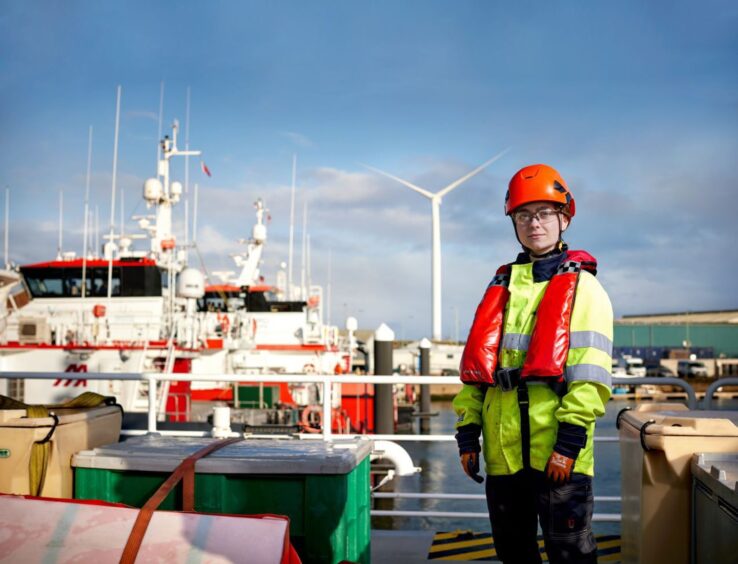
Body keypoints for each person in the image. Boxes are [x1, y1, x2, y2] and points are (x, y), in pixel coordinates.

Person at [453, 164, 613, 564]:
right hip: (504, 458)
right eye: (523, 215)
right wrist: (467, 435)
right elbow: (478, 373)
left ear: (564, 218)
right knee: (514, 554)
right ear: (513, 222)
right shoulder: (502, 286)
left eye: (543, 213)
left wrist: (569, 444)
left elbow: (590, 377)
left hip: (558, 455)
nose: (533, 223)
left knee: (570, 555)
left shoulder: (584, 288)